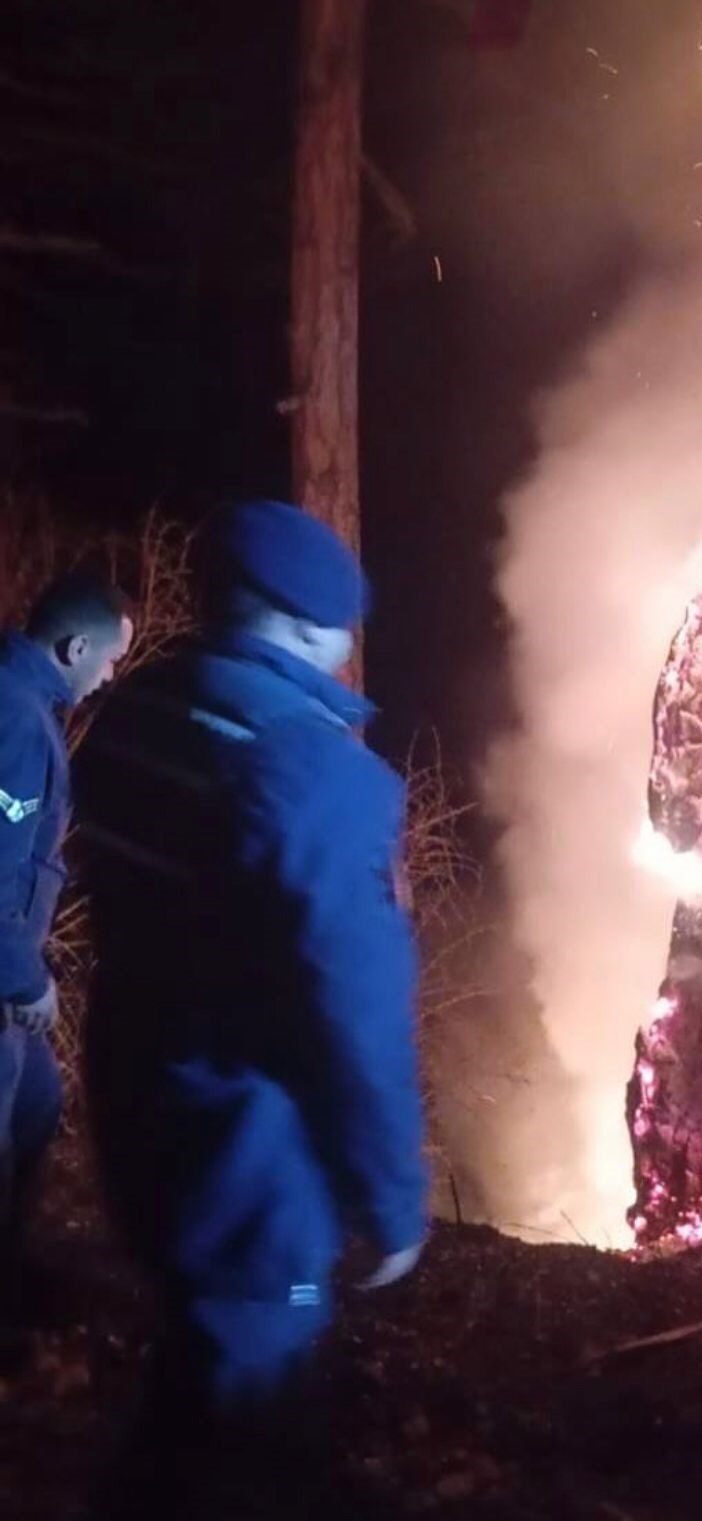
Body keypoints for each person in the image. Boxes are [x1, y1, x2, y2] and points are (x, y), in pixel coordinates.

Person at [76, 500, 426, 1419]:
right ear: (310, 628)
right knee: (256, 1388)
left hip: (135, 1112)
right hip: (250, 1157)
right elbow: (356, 1009)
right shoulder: (318, 778)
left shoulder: (129, 715)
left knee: (194, 1344)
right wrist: (392, 1199)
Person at [0, 575, 132, 1320]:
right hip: (3, 978)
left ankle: (15, 1280)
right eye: (109, 660)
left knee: (38, 1103)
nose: (110, 676)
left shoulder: (20, 701)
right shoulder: (18, 721)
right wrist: (24, 980)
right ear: (76, 648)